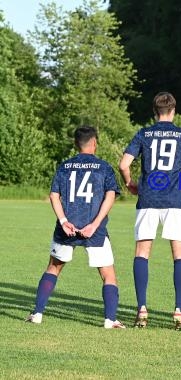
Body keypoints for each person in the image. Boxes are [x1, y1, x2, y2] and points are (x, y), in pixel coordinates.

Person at [26, 126, 125, 329]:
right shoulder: (104, 167)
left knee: (53, 268)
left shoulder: (64, 166)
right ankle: (110, 319)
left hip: (67, 228)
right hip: (94, 230)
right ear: (95, 143)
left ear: (75, 144)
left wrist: (63, 221)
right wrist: (94, 225)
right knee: (108, 275)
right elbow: (110, 196)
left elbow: (54, 195)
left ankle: (37, 314)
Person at [119, 92, 181, 330]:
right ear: (173, 111)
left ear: (155, 112)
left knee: (142, 252)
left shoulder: (144, 133)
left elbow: (123, 164)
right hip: (173, 199)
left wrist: (131, 184)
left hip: (148, 197)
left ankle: (142, 309)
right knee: (179, 255)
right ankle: (179, 311)